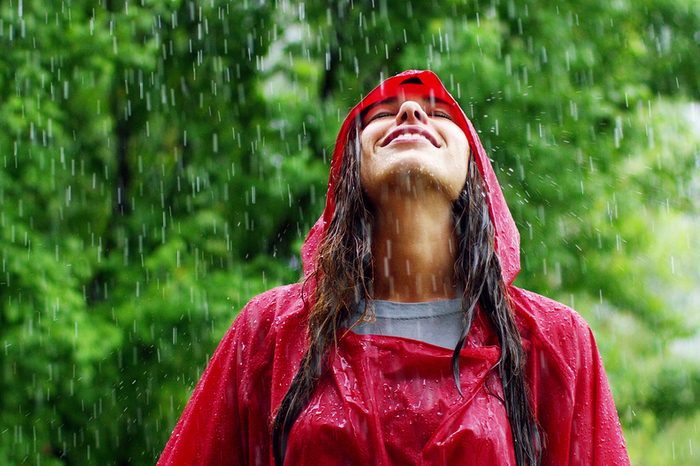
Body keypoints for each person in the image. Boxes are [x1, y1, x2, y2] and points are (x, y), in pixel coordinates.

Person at [158, 70, 630, 465]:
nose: (410, 113)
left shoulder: (554, 342)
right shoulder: (269, 332)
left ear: (475, 171)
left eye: (439, 113)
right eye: (383, 114)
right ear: (350, 170)